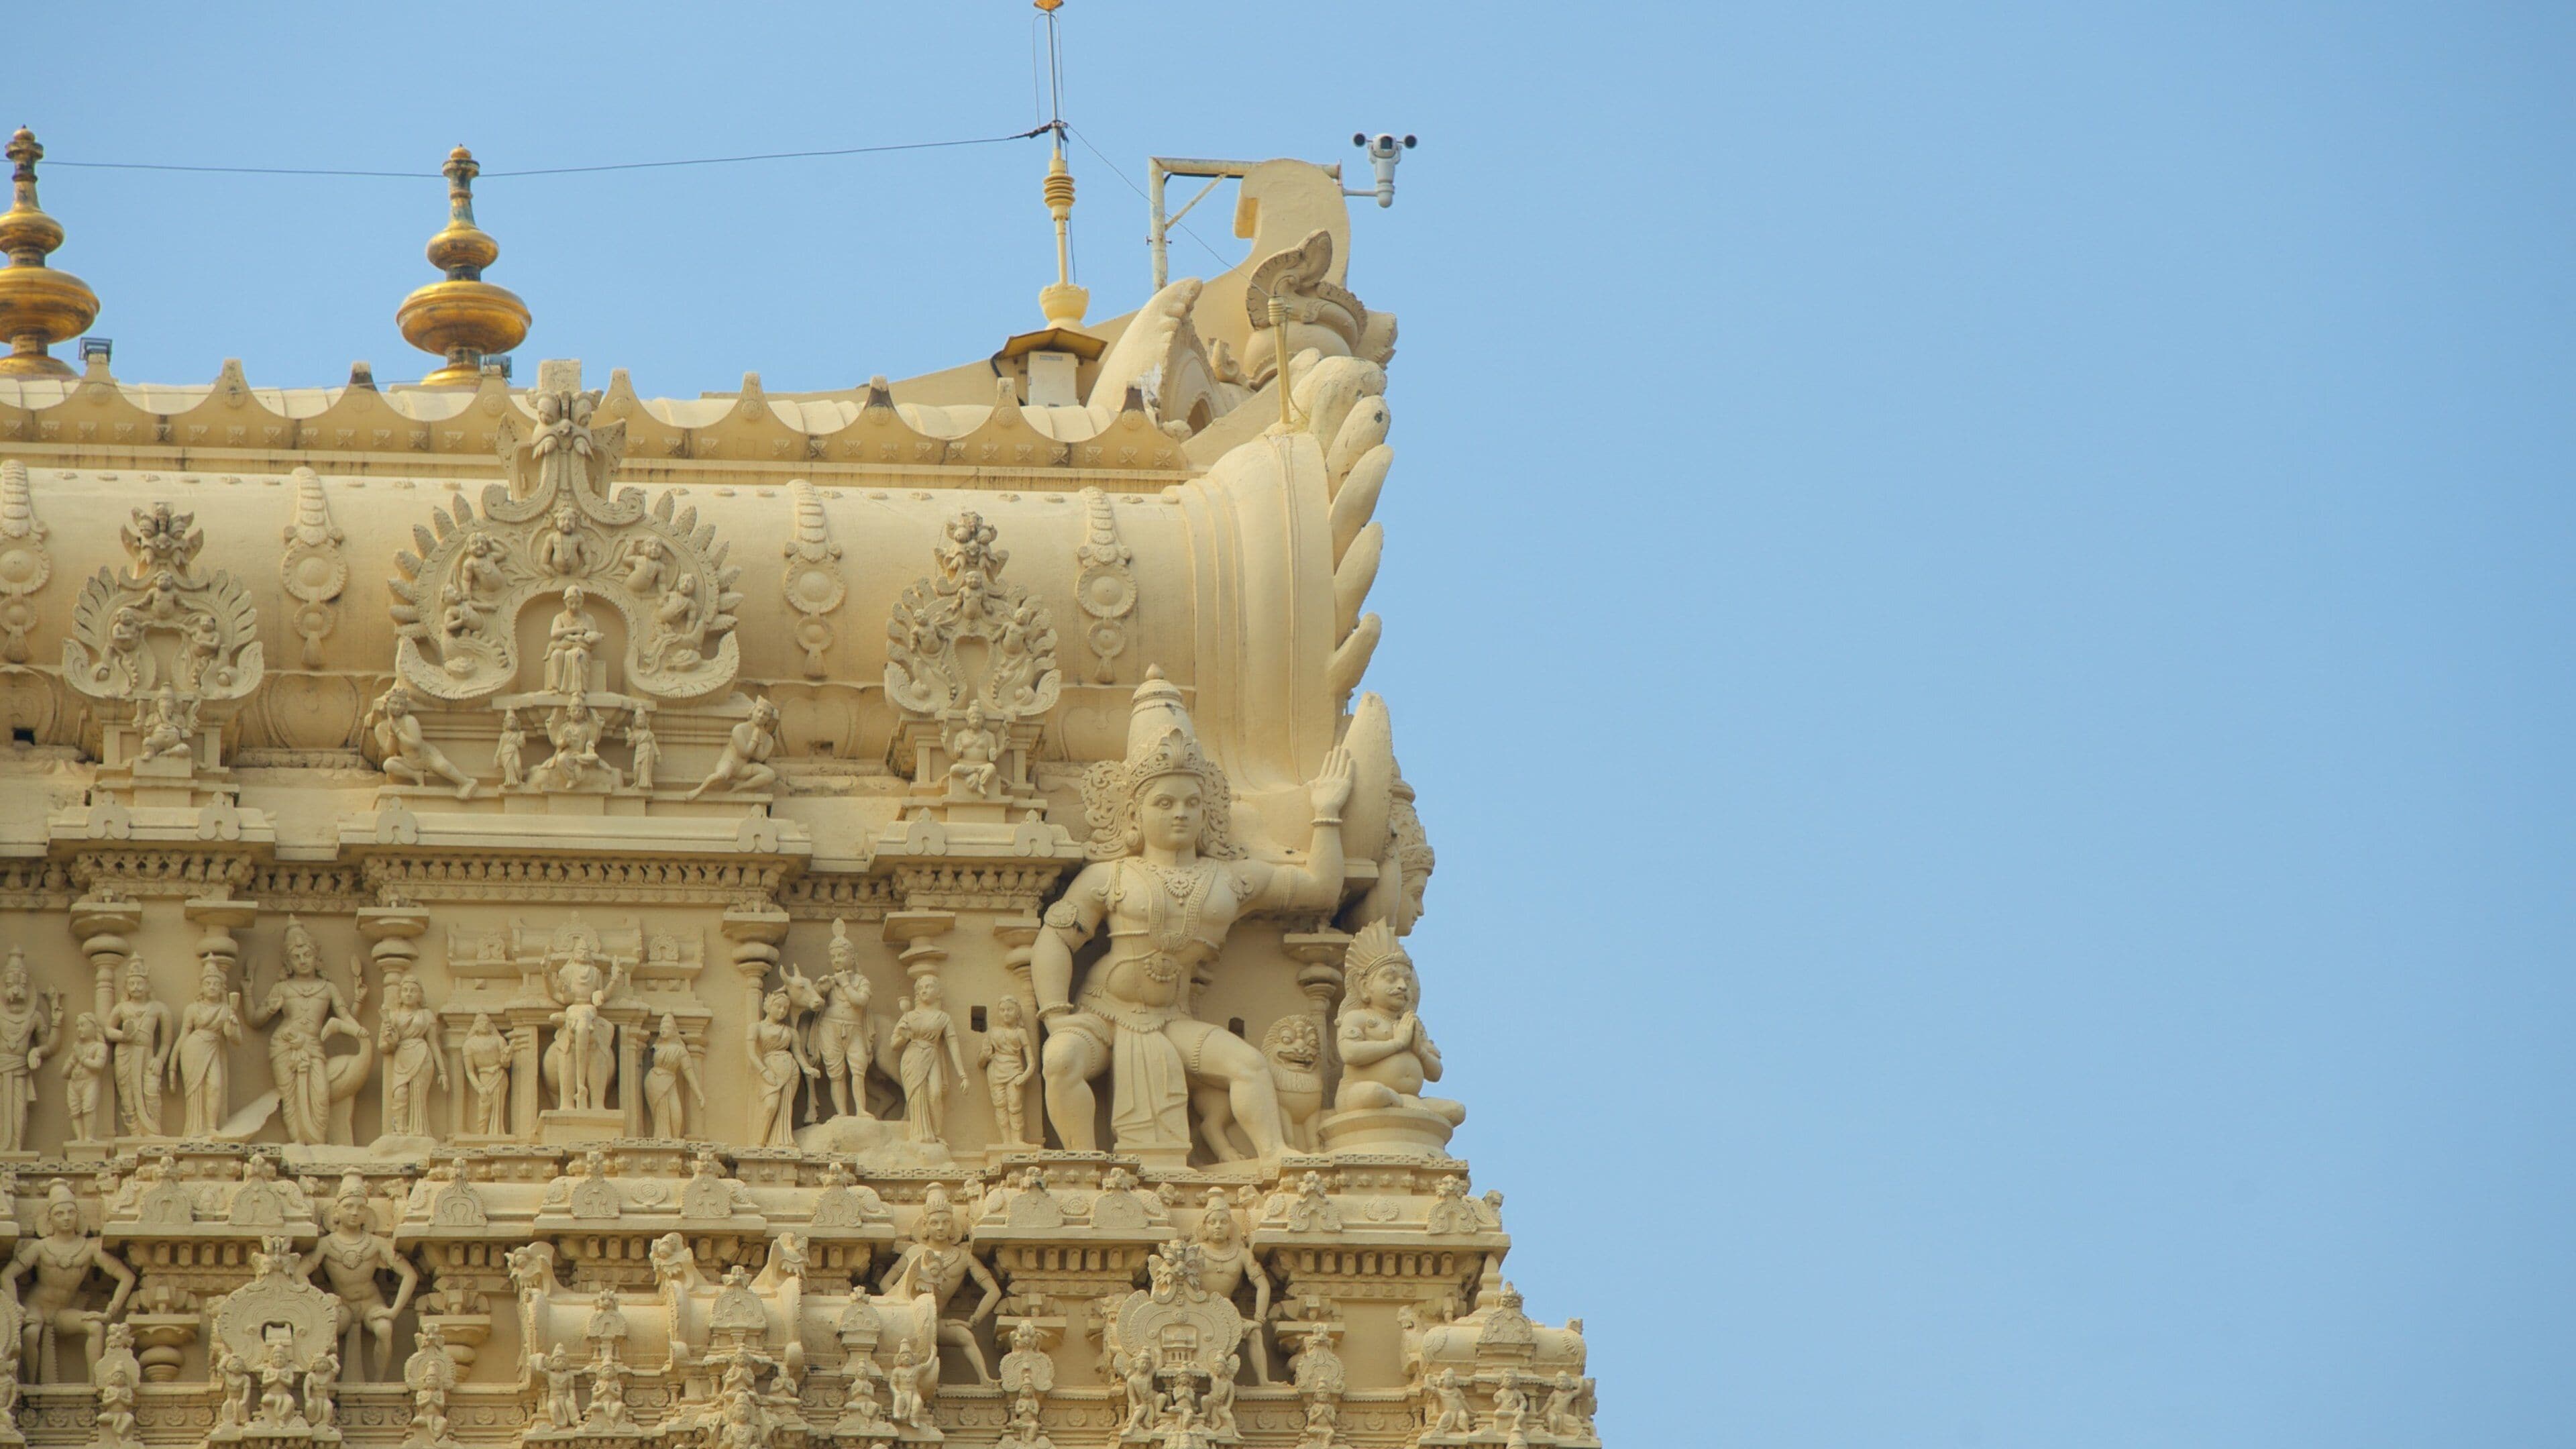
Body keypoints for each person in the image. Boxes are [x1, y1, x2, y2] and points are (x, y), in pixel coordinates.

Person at [890, 976, 968, 1145]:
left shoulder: (943, 1017)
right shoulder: (909, 1016)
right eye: (921, 988)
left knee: (935, 1094)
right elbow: (894, 1044)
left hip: (932, 1055)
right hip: (912, 1057)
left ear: (939, 993)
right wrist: (904, 1037)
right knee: (917, 1095)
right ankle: (920, 1135)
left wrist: (963, 1075)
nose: (924, 990)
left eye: (929, 987)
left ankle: (936, 1133)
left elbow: (953, 1045)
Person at [169, 961, 243, 1136]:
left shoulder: (226, 1009)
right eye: (208, 983)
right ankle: (194, 1129)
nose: (212, 987)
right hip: (193, 1049)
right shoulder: (193, 1009)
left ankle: (211, 1127)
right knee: (196, 1090)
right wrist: (172, 1064)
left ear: (221, 988)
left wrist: (232, 1026)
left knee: (215, 1086)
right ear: (201, 987)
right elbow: (183, 1035)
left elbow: (237, 1039)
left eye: (216, 984)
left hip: (213, 1047)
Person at [642, 1014, 705, 1140]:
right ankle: (661, 1137)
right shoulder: (657, 1047)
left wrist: (698, 1093)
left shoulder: (680, 1050)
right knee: (660, 1111)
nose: (663, 1030)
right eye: (661, 1028)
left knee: (676, 1110)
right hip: (654, 1080)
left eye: (667, 1028)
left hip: (670, 1078)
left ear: (674, 1031)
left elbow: (688, 1071)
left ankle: (674, 1138)